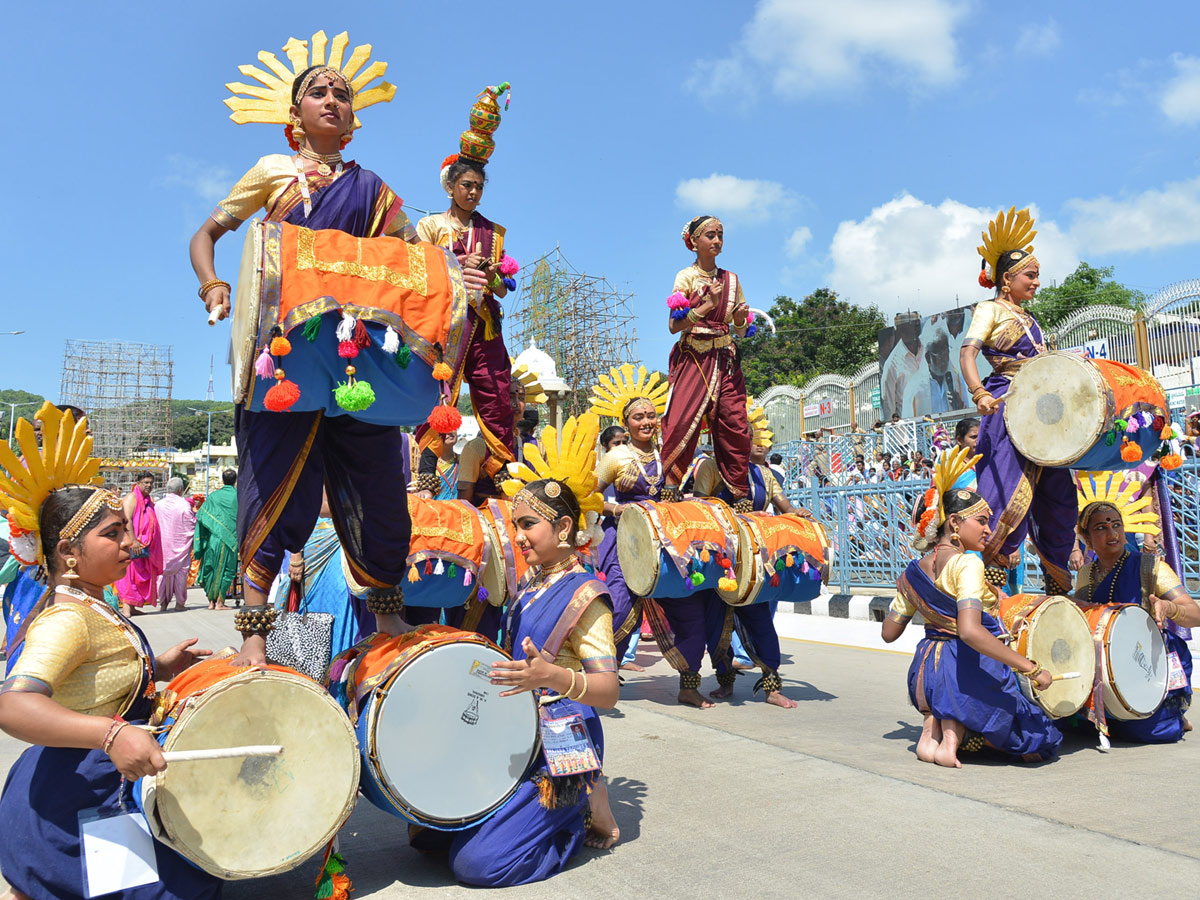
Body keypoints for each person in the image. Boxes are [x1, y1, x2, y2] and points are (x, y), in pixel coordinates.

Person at [191, 35, 468, 661]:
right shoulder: (271, 171)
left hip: (357, 362)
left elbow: (412, 261)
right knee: (272, 485)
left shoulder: (373, 188)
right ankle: (256, 640)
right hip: (285, 357)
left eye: (342, 93)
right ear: (295, 113)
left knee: (379, 488)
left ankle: (388, 627)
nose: (333, 100)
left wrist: (458, 272)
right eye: (318, 91)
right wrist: (214, 285)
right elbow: (207, 234)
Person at [0, 404, 219, 900]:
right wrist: (113, 733)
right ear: (68, 554)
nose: (134, 542)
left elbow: (91, 680)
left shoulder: (93, 603)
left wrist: (159, 668)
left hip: (103, 779)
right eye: (113, 533)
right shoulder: (68, 619)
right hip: (74, 801)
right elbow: (11, 705)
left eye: (126, 528)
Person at [430, 413, 619, 885]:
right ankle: (582, 804)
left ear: (564, 527)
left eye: (528, 525)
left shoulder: (586, 594)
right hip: (514, 729)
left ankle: (574, 819)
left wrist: (551, 677)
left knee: (476, 865)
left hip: (562, 742)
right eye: (515, 525)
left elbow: (609, 691)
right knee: (426, 835)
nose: (517, 536)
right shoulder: (531, 585)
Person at [883, 447, 1060, 767]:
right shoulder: (966, 564)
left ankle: (933, 730)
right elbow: (969, 631)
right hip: (963, 674)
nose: (988, 530)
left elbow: (889, 632)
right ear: (953, 522)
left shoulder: (910, 574)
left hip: (925, 676)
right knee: (1037, 738)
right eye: (981, 521)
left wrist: (919, 600)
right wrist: (1029, 667)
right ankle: (955, 736)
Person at [960, 207, 1076, 595]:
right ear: (1006, 279)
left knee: (1059, 498)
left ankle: (1057, 587)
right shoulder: (989, 309)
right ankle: (989, 595)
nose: (1037, 282)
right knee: (1004, 495)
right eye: (1031, 275)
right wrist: (979, 393)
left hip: (1043, 410)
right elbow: (966, 355)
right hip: (1006, 406)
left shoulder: (1031, 317)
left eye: (1037, 275)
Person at [415, 84, 518, 489]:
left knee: (497, 392)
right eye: (466, 186)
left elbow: (505, 288)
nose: (473, 192)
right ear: (450, 187)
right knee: (438, 391)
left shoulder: (492, 232)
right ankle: (425, 471)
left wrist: (492, 274)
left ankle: (499, 471)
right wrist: (455, 263)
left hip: (485, 323)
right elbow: (418, 275)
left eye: (479, 187)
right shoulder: (431, 226)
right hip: (447, 323)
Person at [694, 403, 811, 709]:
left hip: (755, 561)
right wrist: (735, 516)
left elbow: (784, 507)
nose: (738, 436)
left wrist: (796, 513)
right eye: (731, 432)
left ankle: (772, 686)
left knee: (760, 620)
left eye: (743, 431)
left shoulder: (762, 473)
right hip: (720, 559)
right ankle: (725, 681)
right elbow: (698, 508)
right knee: (717, 625)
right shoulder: (710, 468)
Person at [1073, 478, 1200, 743]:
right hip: (1105, 663)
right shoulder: (1086, 573)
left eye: (1116, 525)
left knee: (1143, 732)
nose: (1113, 533)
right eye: (1101, 527)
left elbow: (1195, 614)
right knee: (1073, 723)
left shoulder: (1150, 567)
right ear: (1086, 537)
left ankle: (1174, 713)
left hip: (1148, 662)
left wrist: (1169, 607)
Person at [659, 216, 752, 509]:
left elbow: (741, 329)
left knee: (735, 424)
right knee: (681, 420)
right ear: (694, 242)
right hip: (695, 356)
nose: (717, 240)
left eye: (720, 235)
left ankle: (739, 493)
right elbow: (674, 326)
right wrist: (705, 308)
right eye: (710, 235)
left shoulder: (732, 280)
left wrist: (738, 321)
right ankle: (671, 488)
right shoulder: (686, 277)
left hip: (725, 358)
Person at [590, 365, 671, 671]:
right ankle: (601, 671)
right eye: (639, 417)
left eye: (651, 416)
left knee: (684, 607)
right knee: (622, 605)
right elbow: (591, 496)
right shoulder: (616, 456)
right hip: (623, 536)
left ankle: (689, 680)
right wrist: (616, 509)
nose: (647, 421)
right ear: (626, 423)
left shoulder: (669, 455)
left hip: (663, 536)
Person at [459, 367, 547, 507]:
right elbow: (464, 502)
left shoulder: (535, 446)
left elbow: (545, 493)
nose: (517, 403)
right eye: (510, 396)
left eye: (522, 398)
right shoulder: (477, 447)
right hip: (487, 524)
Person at [114, 471, 163, 617]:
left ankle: (134, 607)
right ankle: (127, 609)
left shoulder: (148, 500)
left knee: (141, 575)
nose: (149, 485)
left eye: (151, 483)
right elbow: (127, 519)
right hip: (133, 544)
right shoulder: (131, 497)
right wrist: (133, 540)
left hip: (145, 546)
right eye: (146, 482)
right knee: (130, 576)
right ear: (138, 483)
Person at [193, 470, 239, 611]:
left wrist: (201, 541)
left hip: (213, 539)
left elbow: (201, 518)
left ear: (223, 480)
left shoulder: (213, 496)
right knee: (227, 570)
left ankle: (211, 602)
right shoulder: (239, 496)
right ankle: (220, 602)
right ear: (235, 480)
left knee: (210, 569)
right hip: (230, 540)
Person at [155, 477, 196, 612]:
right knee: (181, 574)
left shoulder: (158, 505)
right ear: (180, 490)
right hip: (180, 547)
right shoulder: (184, 505)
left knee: (162, 574)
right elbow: (191, 524)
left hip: (162, 547)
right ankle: (179, 604)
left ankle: (163, 604)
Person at [414, 405, 463, 501]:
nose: (449, 432)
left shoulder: (464, 461)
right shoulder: (424, 465)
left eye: (452, 426)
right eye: (444, 428)